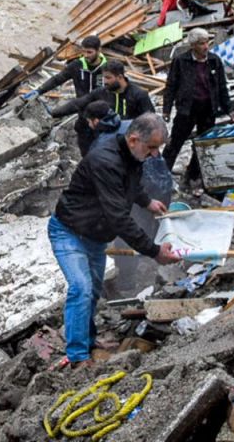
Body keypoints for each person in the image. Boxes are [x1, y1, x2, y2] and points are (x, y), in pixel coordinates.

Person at [48, 113, 181, 366]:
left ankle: (88, 340)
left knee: (93, 291)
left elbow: (130, 184)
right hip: (69, 232)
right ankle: (77, 356)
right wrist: (154, 251)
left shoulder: (131, 156)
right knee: (81, 288)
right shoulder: (105, 161)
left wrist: (146, 201)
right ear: (133, 139)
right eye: (152, 148)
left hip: (95, 235)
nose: (155, 155)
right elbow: (119, 217)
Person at [161, 28, 232, 187]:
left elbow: (222, 87)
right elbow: (171, 85)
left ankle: (192, 175)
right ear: (193, 45)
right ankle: (162, 174)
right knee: (175, 142)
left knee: (203, 144)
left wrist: (229, 109)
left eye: (207, 42)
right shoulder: (181, 61)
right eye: (201, 43)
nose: (205, 46)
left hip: (208, 109)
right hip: (187, 109)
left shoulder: (214, 60)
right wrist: (166, 109)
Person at [50, 59, 156, 154]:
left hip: (130, 144)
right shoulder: (101, 93)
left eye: (108, 78)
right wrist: (53, 113)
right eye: (104, 77)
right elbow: (79, 103)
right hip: (107, 143)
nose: (105, 81)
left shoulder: (139, 95)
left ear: (120, 77)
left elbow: (151, 121)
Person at [22, 35, 107, 101]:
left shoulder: (108, 69)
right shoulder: (77, 65)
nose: (86, 55)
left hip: (101, 112)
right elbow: (57, 79)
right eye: (84, 51)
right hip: (82, 109)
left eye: (89, 52)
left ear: (99, 50)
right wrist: (39, 91)